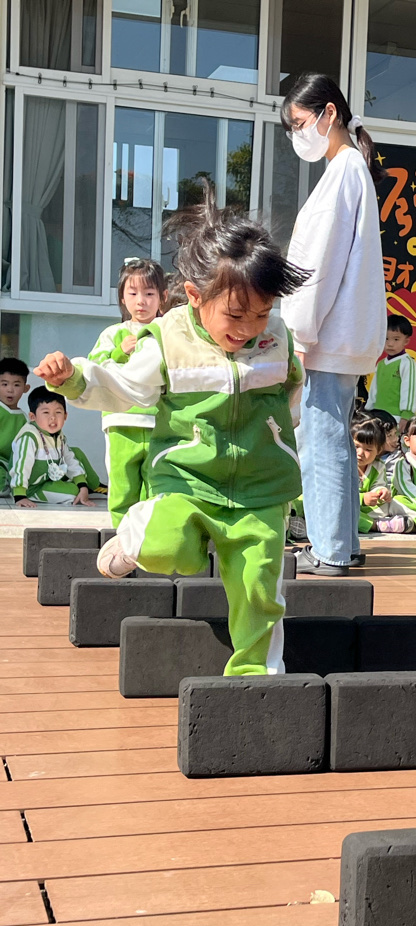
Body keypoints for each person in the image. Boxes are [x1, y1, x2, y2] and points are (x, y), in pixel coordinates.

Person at [33, 185, 310, 676]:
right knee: (167, 548)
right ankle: (134, 536)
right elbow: (122, 387)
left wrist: (276, 439)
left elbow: (291, 394)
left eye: (262, 313)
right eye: (236, 315)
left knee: (259, 588)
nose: (250, 327)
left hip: (260, 489)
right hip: (187, 479)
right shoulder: (167, 338)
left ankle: (256, 678)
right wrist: (73, 378)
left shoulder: (277, 339)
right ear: (196, 296)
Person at [280, 72, 387, 577]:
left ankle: (329, 550)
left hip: (327, 333)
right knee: (334, 439)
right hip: (344, 333)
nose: (297, 135)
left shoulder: (342, 172)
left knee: (320, 442)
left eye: (300, 123)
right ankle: (341, 543)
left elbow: (317, 266)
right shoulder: (351, 168)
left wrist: (300, 332)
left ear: (329, 113)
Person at [88, 258, 167, 526]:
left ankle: (153, 538)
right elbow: (94, 367)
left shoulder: (167, 333)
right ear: (122, 297)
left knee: (159, 486)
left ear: (163, 297)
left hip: (161, 423)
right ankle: (121, 537)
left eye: (149, 293)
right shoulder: (113, 333)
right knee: (122, 484)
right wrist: (119, 353)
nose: (141, 301)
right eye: (133, 293)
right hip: (121, 421)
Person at [11, 388, 97, 508]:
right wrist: (20, 495)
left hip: (48, 481)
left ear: (65, 416)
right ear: (32, 416)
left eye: (58, 412)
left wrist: (82, 486)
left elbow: (70, 460)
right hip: (32, 488)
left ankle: (91, 487)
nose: (52, 417)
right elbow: (21, 467)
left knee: (75, 454)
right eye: (46, 412)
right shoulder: (29, 437)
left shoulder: (58, 435)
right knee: (73, 492)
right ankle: (28, 493)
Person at [354, 418, 412, 534]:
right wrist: (362, 498)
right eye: (356, 447)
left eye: (368, 449)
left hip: (369, 509)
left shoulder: (378, 465)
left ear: (379, 450)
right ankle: (375, 525)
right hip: (352, 505)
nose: (360, 453)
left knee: (395, 503)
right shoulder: (346, 465)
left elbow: (379, 485)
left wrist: (381, 492)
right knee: (346, 511)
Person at [365, 314, 416, 431]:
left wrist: (406, 415)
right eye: (386, 339)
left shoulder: (407, 363)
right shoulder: (381, 364)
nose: (390, 344)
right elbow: (374, 390)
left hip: (396, 418)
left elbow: (410, 390)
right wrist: (369, 410)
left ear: (406, 341)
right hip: (377, 416)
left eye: (396, 339)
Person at [0, 357, 31, 495]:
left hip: (11, 465)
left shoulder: (25, 419)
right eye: (4, 384)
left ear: (26, 388)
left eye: (16, 385)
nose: (10, 390)